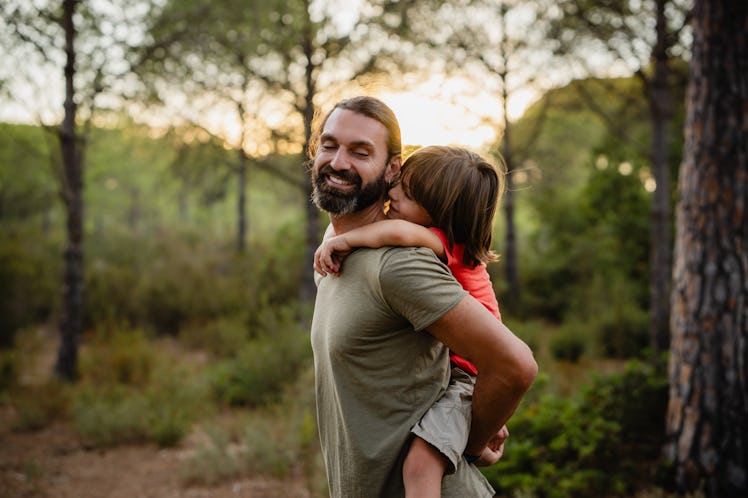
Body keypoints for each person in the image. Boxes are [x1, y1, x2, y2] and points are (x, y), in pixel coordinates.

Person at [309, 95, 537, 498]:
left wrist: (470, 440)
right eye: (329, 145)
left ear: (392, 168)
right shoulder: (336, 245)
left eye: (360, 152)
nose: (339, 161)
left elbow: (514, 365)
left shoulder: (400, 264)